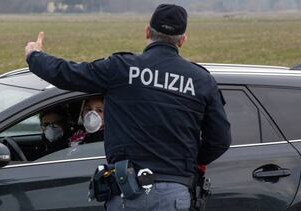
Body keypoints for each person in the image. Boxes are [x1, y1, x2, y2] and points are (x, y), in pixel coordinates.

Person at [25, 4, 231, 211]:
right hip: (174, 193)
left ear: (147, 32)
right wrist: (187, 162)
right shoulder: (201, 80)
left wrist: (35, 56)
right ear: (182, 40)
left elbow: (68, 74)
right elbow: (220, 140)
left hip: (128, 190)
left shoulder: (121, 68)